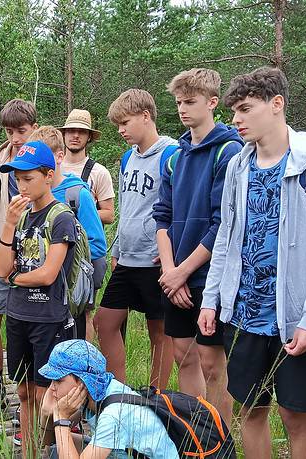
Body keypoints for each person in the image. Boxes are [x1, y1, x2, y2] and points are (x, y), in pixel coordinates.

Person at [199, 67, 306, 459]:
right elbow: (227, 237)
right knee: (250, 410)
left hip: (294, 317)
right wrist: (212, 300)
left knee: (296, 416)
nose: (236, 120)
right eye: (234, 111)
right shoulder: (238, 166)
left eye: (245, 109)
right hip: (243, 314)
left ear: (276, 104)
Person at [152, 68, 243, 427]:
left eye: (190, 102)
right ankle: (196, 433)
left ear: (212, 102)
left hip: (208, 273)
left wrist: (183, 272)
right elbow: (162, 216)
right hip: (174, 272)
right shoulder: (175, 155)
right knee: (182, 355)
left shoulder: (229, 150)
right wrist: (169, 272)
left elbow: (224, 225)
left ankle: (220, 438)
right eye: (178, 103)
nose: (182, 109)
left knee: (211, 360)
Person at [0, 140, 76, 458]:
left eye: (28, 177)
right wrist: (10, 223)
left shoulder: (61, 218)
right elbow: (1, 267)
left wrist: (15, 278)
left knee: (47, 396)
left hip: (48, 317)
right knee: (24, 391)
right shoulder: (23, 217)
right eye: (17, 178)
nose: (22, 184)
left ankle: (49, 450)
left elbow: (47, 274)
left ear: (48, 175)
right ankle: (28, 450)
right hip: (18, 315)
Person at [94, 89, 175, 389]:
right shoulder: (127, 158)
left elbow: (178, 207)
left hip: (155, 258)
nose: (120, 130)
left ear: (146, 116)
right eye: (118, 124)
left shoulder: (172, 154)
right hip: (127, 257)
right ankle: (120, 393)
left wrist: (170, 251)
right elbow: (126, 206)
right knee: (104, 322)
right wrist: (117, 246)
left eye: (125, 122)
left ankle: (158, 395)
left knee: (160, 330)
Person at [0, 98, 38, 415]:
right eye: (10, 131)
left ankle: (27, 392)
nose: (15, 138)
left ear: (34, 129)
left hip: (34, 251)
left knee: (24, 323)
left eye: (22, 131)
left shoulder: (43, 160)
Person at [27, 126, 106, 341]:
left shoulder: (77, 194)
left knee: (79, 327)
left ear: (59, 156)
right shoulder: (32, 194)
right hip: (42, 286)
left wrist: (64, 255)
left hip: (73, 283)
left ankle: (82, 370)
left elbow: (97, 243)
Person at [39, 340, 179, 459]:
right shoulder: (99, 390)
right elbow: (48, 442)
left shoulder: (113, 415)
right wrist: (46, 413)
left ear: (83, 382)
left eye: (58, 380)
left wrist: (60, 417)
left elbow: (60, 432)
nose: (52, 388)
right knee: (55, 450)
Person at [59, 109, 115, 225]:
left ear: (89, 137)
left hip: (85, 241)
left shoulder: (99, 172)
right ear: (64, 134)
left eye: (82, 132)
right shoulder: (52, 168)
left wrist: (77, 213)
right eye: (71, 131)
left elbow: (109, 215)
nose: (76, 136)